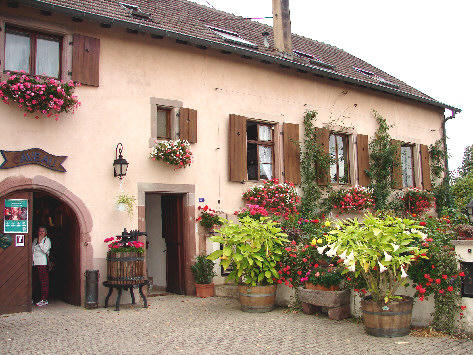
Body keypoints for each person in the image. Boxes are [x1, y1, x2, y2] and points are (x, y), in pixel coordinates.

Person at [32, 226, 51, 306]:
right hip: (34, 263)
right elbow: (32, 250)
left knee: (44, 282)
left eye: (43, 231)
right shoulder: (35, 240)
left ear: (45, 233)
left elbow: (45, 250)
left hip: (42, 263)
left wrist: (40, 242)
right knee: (34, 281)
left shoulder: (47, 240)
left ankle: (44, 299)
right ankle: (32, 298)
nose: (41, 233)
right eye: (40, 231)